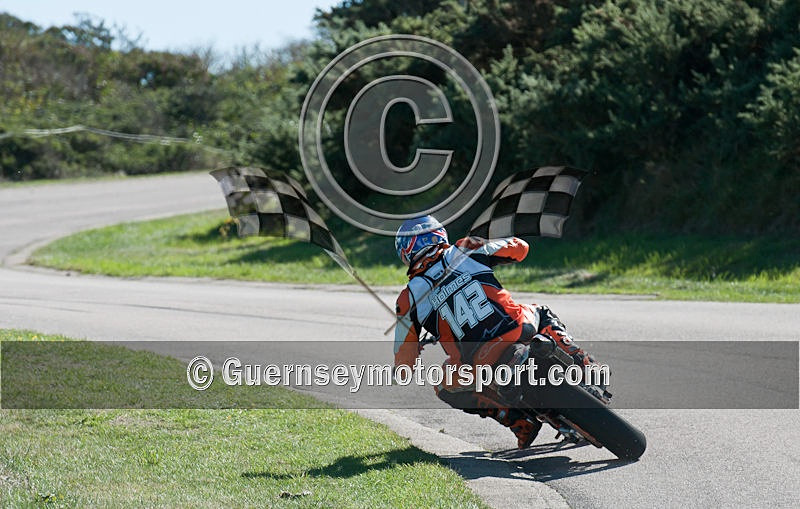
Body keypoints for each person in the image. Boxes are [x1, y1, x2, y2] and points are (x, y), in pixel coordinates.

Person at [393, 215, 599, 449]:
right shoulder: (466, 249)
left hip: (480, 363)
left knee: (442, 386)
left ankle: (518, 421)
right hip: (518, 329)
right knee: (541, 311)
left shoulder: (408, 298)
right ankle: (582, 360)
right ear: (437, 234)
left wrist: (412, 351)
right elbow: (521, 249)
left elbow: (404, 364)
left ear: (407, 253)